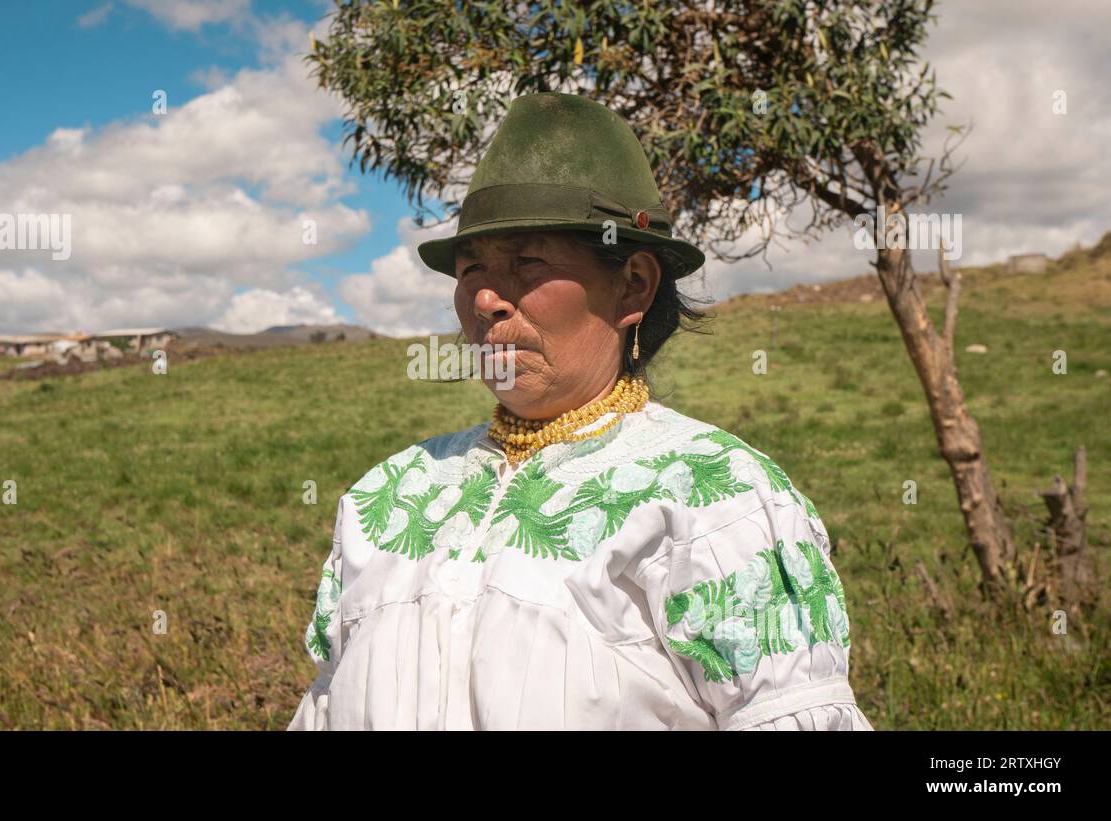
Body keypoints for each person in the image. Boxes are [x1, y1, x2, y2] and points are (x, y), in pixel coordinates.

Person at [288, 92, 873, 731]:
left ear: (634, 285)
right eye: (470, 268)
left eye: (527, 263)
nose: (485, 297)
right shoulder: (389, 493)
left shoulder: (717, 498)